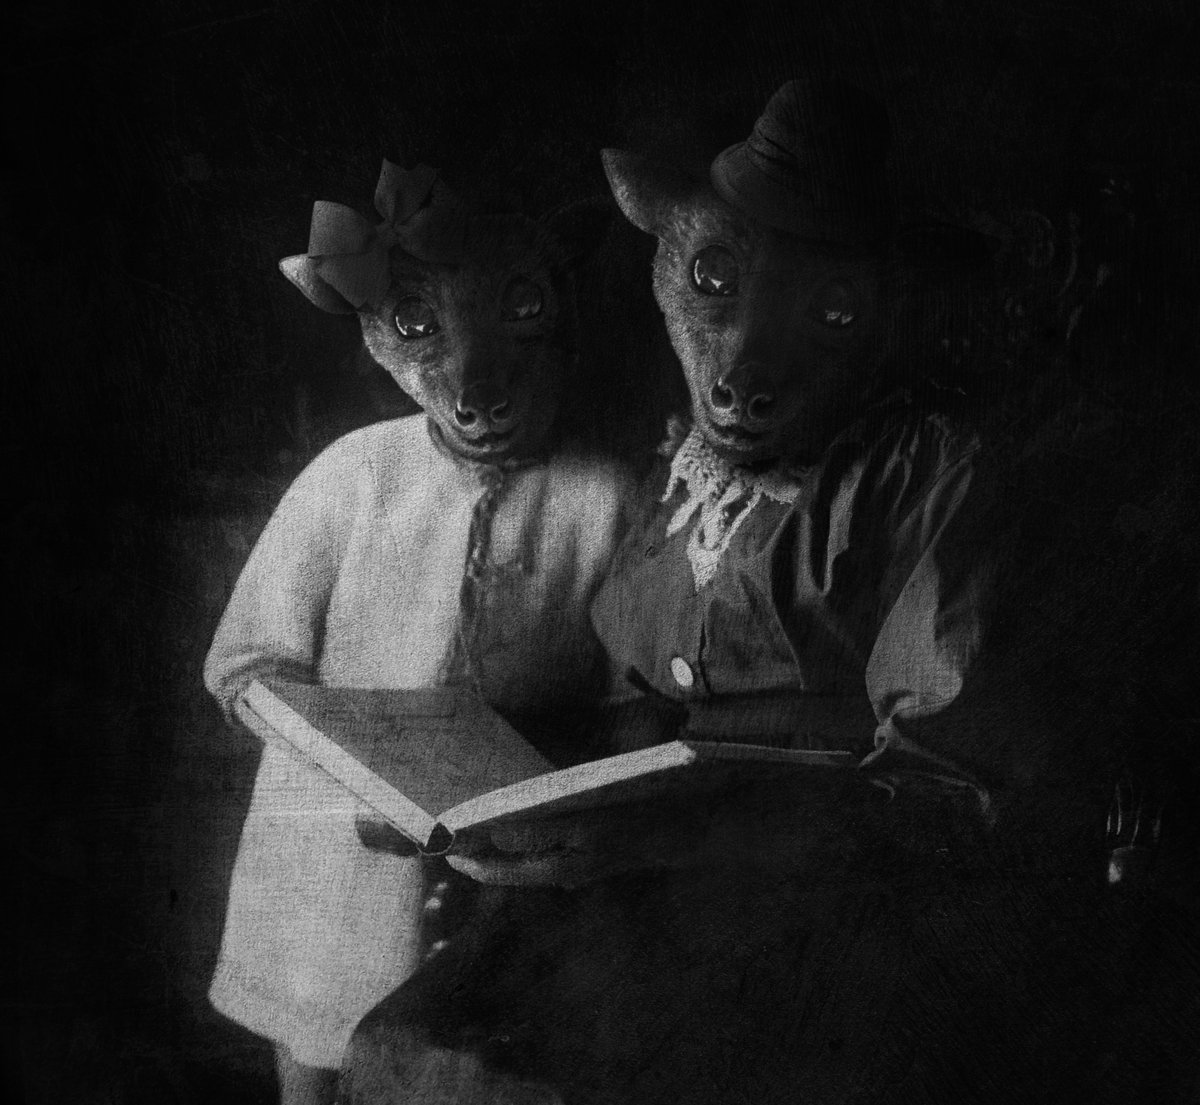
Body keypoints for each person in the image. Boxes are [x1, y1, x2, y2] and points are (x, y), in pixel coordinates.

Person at [341, 82, 1007, 1105]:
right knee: (405, 1052)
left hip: (812, 909)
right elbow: (639, 700)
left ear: (887, 310)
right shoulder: (687, 471)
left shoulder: (927, 472)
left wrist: (663, 836)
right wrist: (461, 799)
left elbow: (942, 798)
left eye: (828, 310)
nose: (742, 368)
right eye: (714, 279)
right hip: (635, 881)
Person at [203, 163, 635, 1105]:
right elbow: (247, 658)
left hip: (508, 865)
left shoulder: (605, 493)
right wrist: (342, 745)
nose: (475, 387)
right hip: (329, 859)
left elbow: (626, 697)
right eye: (416, 325)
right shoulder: (354, 473)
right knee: (316, 1041)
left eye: (516, 311)